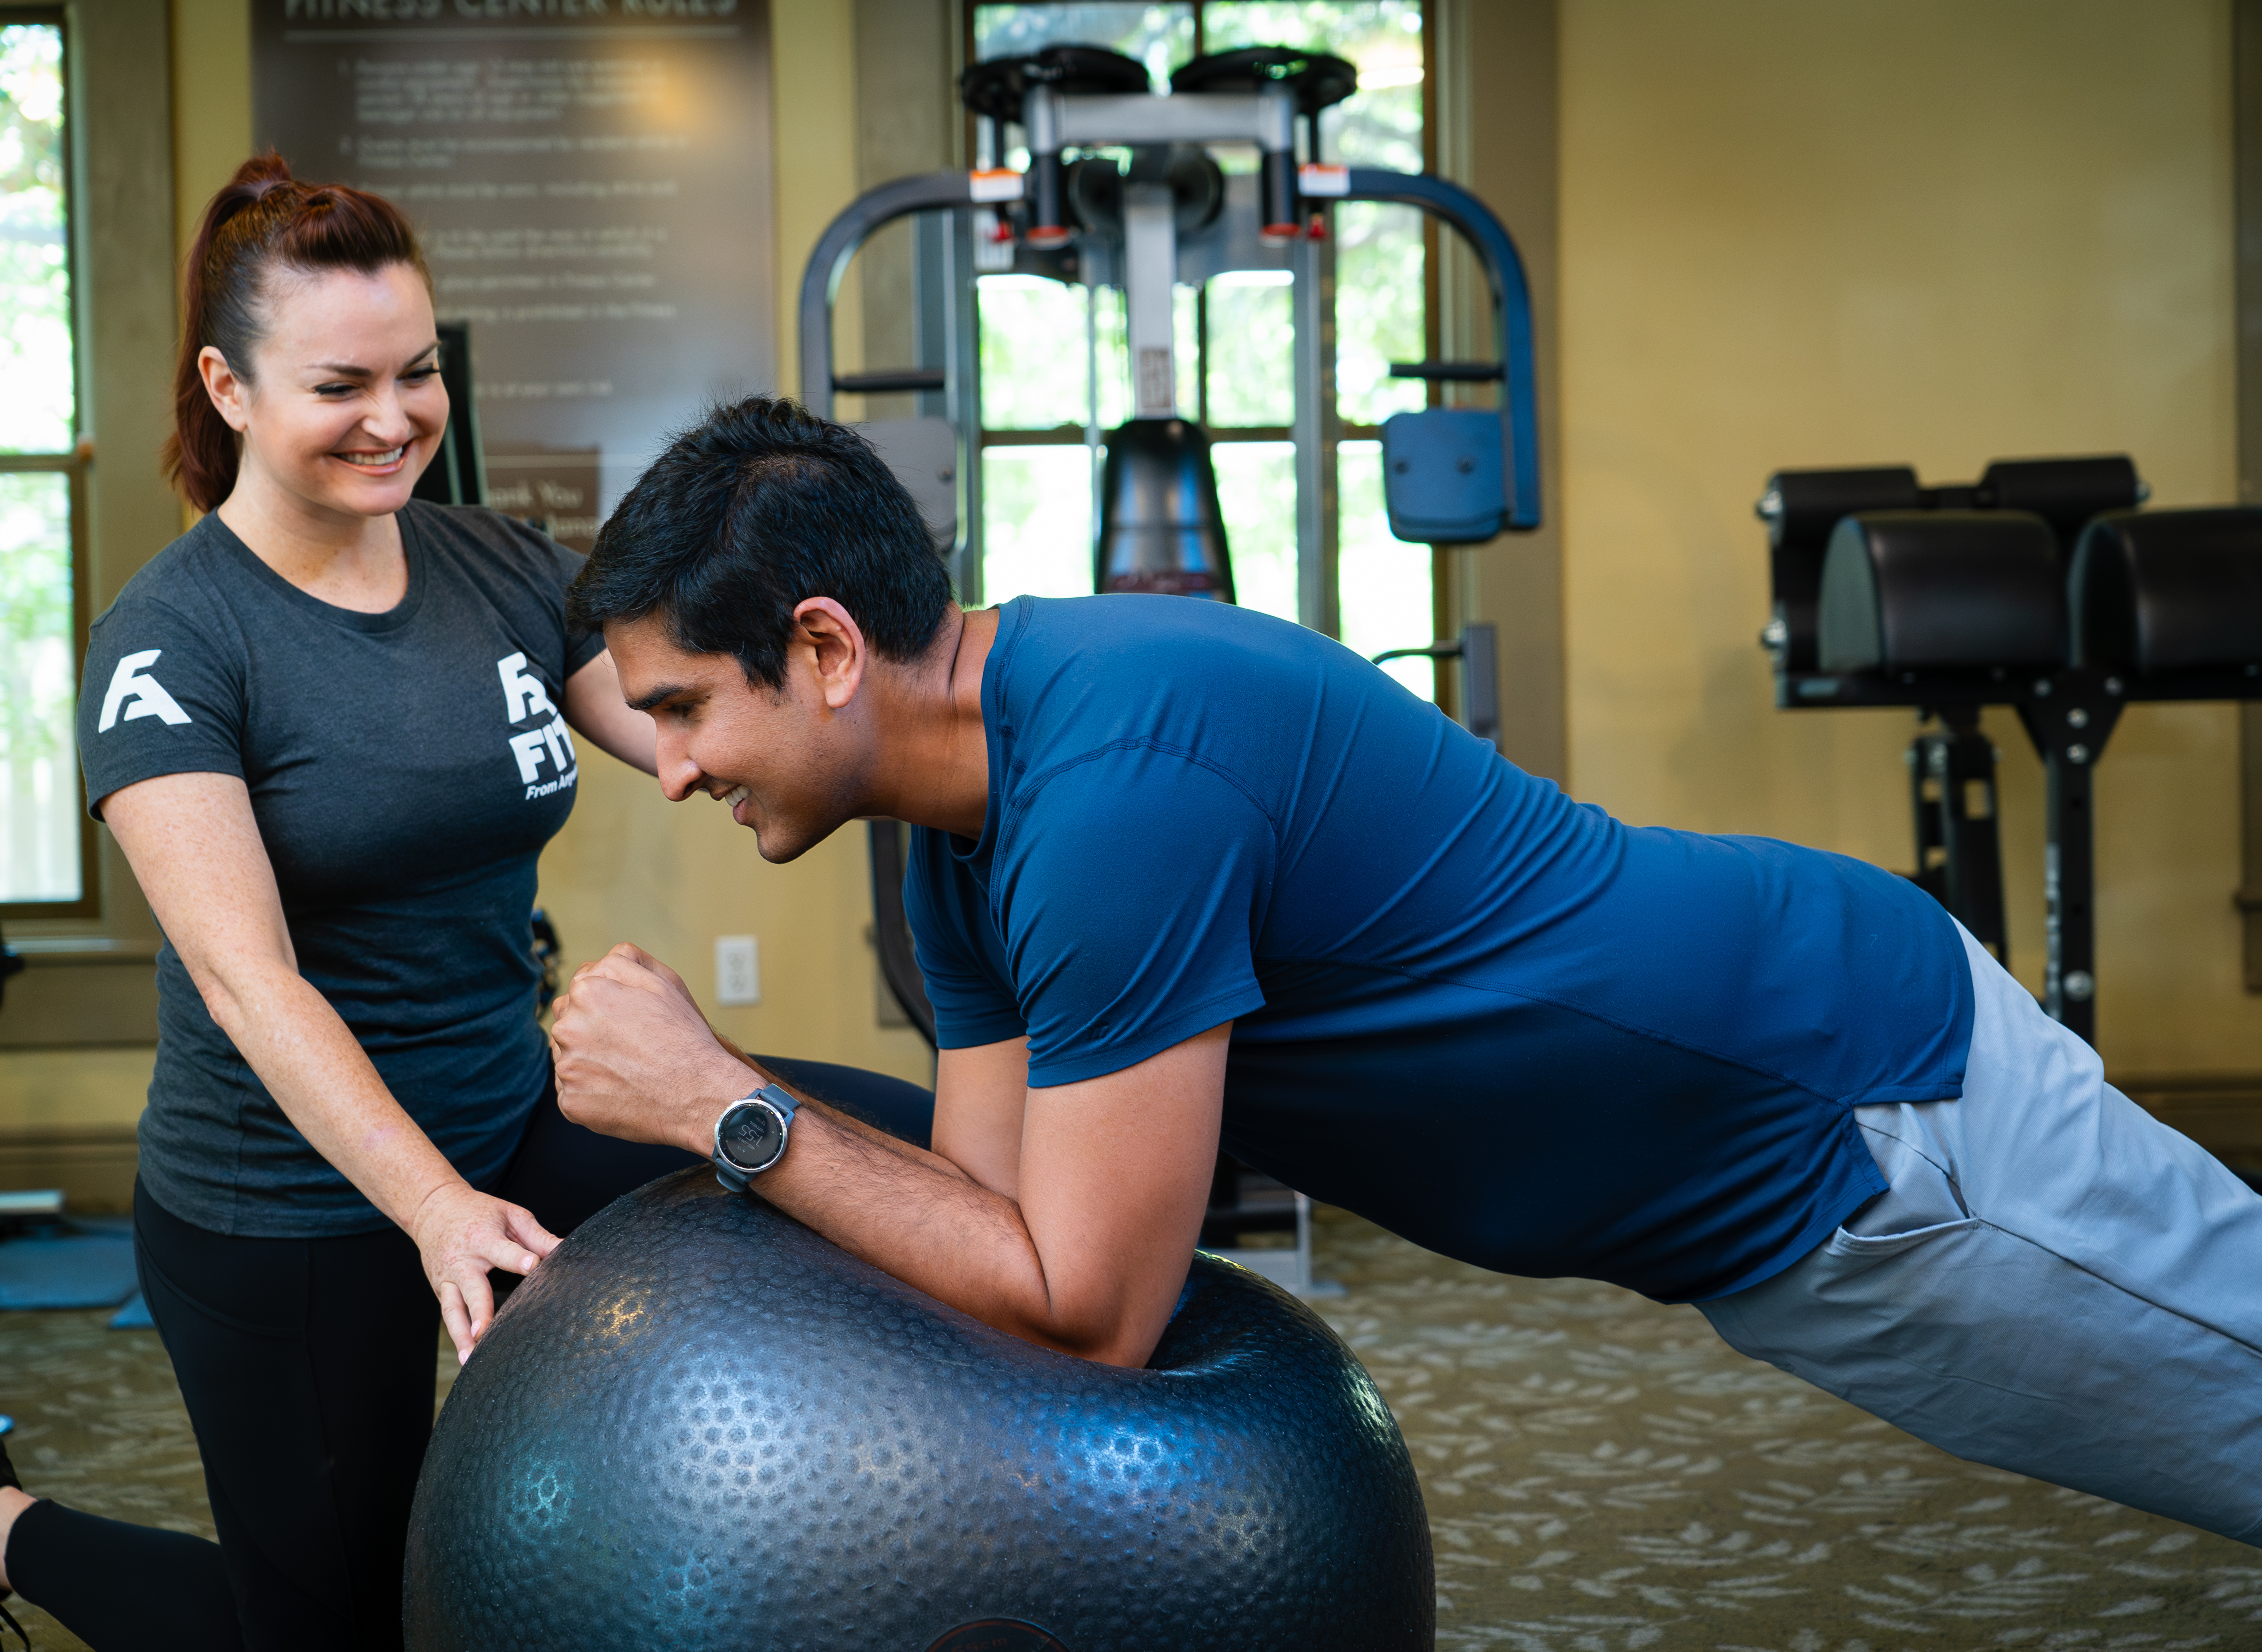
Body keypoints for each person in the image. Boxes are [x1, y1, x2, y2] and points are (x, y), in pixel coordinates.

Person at [546, 395, 2262, 1549]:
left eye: (688, 709)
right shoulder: (963, 842)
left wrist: (726, 1103)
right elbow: (999, 1249)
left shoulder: (1115, 795)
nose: (676, 772)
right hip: (1775, 1206)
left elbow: (1089, 1307)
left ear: (827, 650)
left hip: (1870, 1118)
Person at [0, 168, 930, 1652]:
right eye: (342, 384)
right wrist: (432, 1210)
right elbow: (252, 985)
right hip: (292, 1205)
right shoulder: (176, 641)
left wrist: (931, 750)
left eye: (420, 371)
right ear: (227, 386)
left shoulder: (495, 565)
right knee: (334, 1634)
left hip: (511, 1114)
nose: (395, 417)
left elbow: (693, 736)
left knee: (904, 1148)